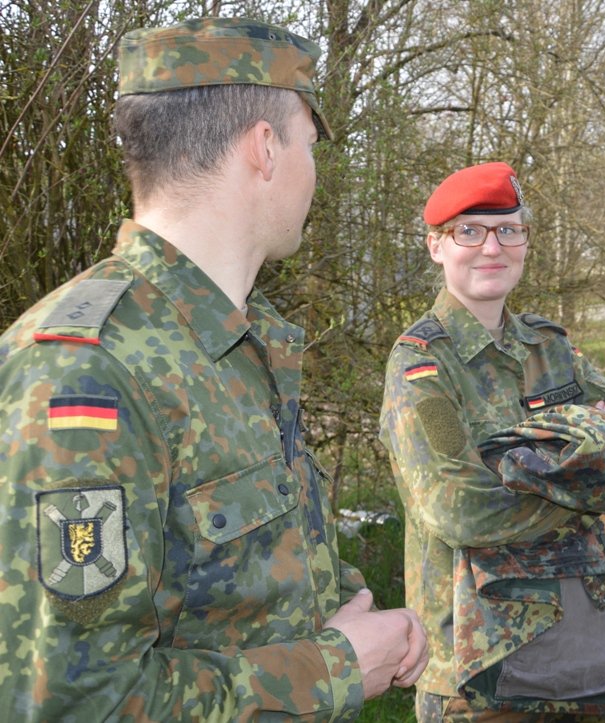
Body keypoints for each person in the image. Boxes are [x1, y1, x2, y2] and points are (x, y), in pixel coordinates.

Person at [0, 18, 428, 720]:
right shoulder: (86, 372)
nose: (313, 171)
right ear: (265, 147)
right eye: (310, 144)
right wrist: (334, 668)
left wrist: (355, 622)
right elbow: (76, 703)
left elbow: (237, 587)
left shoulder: (235, 346)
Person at [379, 162, 605, 720]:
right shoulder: (421, 364)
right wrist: (588, 468)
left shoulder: (551, 348)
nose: (492, 248)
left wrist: (519, 468)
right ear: (436, 246)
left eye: (508, 230)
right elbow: (459, 507)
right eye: (469, 231)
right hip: (481, 676)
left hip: (586, 656)